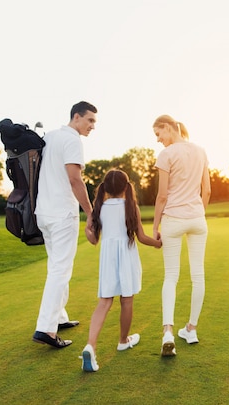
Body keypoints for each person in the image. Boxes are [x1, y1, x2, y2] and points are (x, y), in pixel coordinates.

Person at [80, 169, 161, 372]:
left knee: (104, 302)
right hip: (126, 256)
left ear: (105, 188)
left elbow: (94, 240)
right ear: (126, 187)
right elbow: (141, 237)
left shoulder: (99, 208)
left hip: (107, 258)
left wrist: (87, 232)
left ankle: (90, 345)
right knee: (127, 300)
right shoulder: (130, 206)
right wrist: (157, 244)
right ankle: (123, 341)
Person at [31, 101, 97, 349]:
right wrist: (90, 213)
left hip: (44, 214)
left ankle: (59, 317)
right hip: (60, 214)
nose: (92, 126)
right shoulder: (72, 140)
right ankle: (46, 329)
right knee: (61, 269)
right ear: (77, 117)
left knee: (55, 265)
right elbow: (74, 179)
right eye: (90, 120)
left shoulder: (50, 136)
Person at [152, 115, 211, 357]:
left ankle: (168, 331)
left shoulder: (167, 155)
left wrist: (155, 226)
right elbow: (206, 190)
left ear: (168, 127)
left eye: (159, 134)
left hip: (173, 220)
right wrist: (198, 214)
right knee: (198, 276)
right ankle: (191, 330)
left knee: (171, 277)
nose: (159, 140)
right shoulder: (201, 151)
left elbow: (162, 196)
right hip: (198, 219)